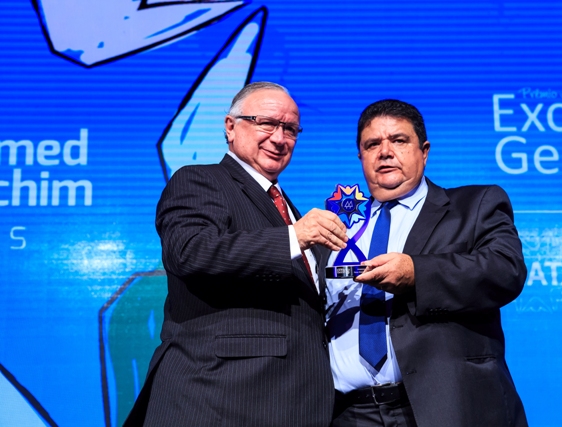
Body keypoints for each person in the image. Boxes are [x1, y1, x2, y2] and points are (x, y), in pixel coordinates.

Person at [124, 82, 348, 427]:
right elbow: (189, 252)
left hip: (291, 403)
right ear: (230, 127)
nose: (279, 138)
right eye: (266, 123)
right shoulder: (199, 180)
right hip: (218, 398)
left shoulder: (289, 209)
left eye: (290, 129)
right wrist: (294, 236)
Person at [320, 99, 528, 427]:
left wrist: (417, 273)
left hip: (445, 408)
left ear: (424, 151)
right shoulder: (335, 227)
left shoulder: (474, 205)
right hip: (349, 414)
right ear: (360, 156)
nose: (385, 152)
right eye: (372, 144)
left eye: (399, 140)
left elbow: (505, 270)